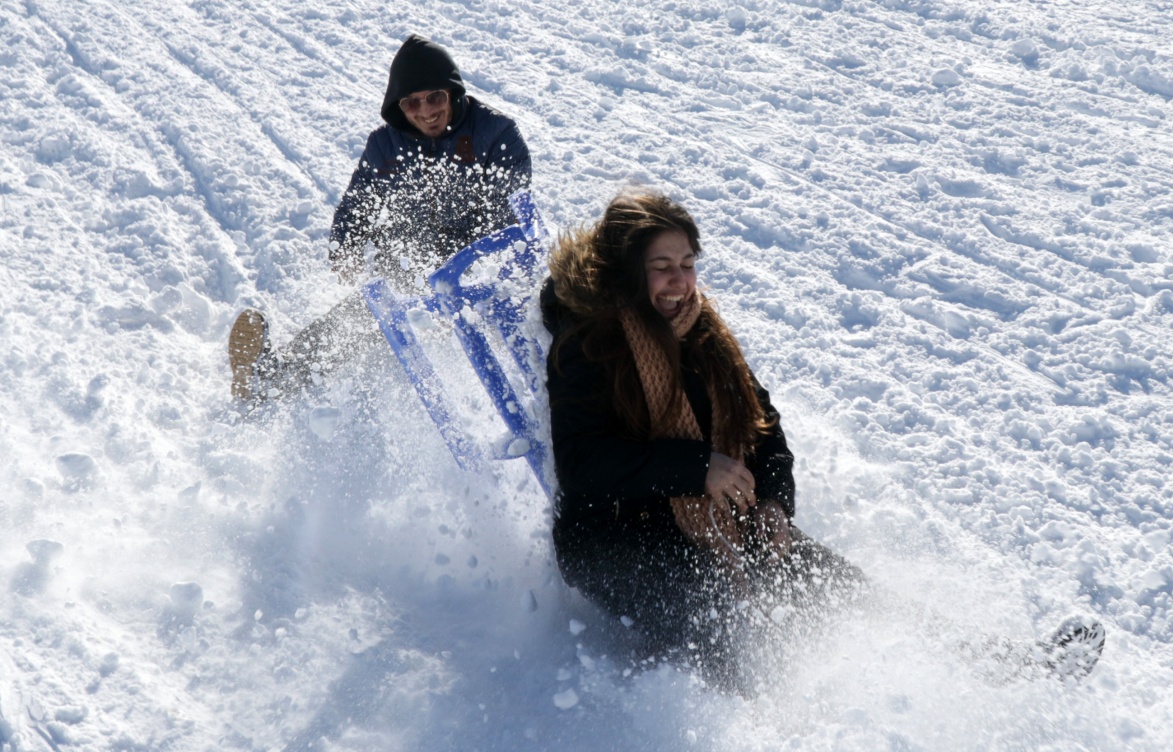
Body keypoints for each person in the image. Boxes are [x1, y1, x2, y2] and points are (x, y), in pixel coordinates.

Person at [541, 190, 865, 692]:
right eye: (662, 266)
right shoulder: (589, 341)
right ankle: (763, 743)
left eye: (688, 263)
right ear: (628, 272)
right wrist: (696, 468)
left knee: (839, 590)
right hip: (615, 537)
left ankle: (974, 659)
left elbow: (764, 425)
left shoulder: (702, 329)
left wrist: (775, 501)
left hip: (721, 517)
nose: (680, 281)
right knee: (717, 626)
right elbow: (582, 464)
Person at [229, 34, 531, 403]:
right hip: (409, 268)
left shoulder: (496, 134)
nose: (426, 111)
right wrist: (347, 245)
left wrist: (458, 270)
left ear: (452, 92)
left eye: (435, 97)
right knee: (359, 319)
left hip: (479, 275)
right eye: (412, 103)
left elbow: (510, 216)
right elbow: (357, 206)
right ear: (398, 106)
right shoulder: (386, 145)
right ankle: (270, 380)